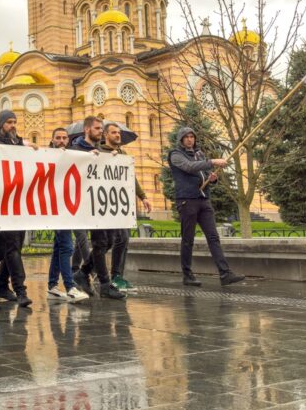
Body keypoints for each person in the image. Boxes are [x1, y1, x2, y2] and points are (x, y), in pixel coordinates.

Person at [168, 126, 245, 287]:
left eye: (192, 136)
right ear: (181, 139)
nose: (190, 139)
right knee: (188, 239)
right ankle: (187, 275)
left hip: (203, 200)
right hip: (187, 200)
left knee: (213, 237)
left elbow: (202, 173)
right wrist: (212, 161)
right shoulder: (175, 155)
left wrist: (212, 178)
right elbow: (189, 167)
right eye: (187, 137)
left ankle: (225, 274)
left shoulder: (199, 154)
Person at [70, 116, 126, 300]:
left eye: (101, 128)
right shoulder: (76, 149)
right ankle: (104, 284)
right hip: (88, 203)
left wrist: (112, 160)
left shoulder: (102, 151)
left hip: (104, 203)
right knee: (100, 242)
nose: (100, 131)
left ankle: (83, 271)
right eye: (96, 128)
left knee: (110, 240)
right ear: (87, 129)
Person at [95, 120, 152, 293]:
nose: (117, 135)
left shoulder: (123, 154)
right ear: (106, 135)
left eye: (118, 133)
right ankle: (95, 271)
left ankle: (116, 275)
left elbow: (130, 178)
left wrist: (143, 197)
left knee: (124, 239)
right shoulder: (99, 153)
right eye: (113, 132)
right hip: (104, 204)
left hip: (121, 204)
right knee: (109, 241)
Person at [0, 110, 33, 308]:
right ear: (1, 124)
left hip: (17, 203)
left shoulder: (19, 144)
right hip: (0, 204)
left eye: (14, 122)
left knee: (8, 248)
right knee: (11, 246)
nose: (13, 125)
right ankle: (21, 290)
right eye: (9, 122)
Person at [45, 127, 90, 303]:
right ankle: (70, 286)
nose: (62, 140)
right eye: (58, 138)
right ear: (53, 140)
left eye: (64, 138)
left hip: (68, 205)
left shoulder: (73, 156)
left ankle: (52, 286)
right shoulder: (46, 155)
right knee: (66, 246)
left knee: (59, 246)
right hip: (56, 207)